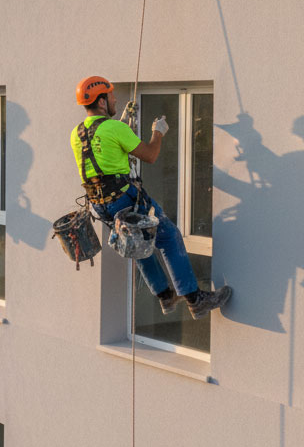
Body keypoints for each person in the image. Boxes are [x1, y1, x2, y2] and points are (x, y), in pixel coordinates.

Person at [71, 75, 231, 319]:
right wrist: (158, 132)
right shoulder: (115, 129)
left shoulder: (77, 133)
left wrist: (123, 126)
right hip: (124, 198)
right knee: (169, 236)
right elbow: (150, 155)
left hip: (101, 204)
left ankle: (165, 296)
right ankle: (195, 299)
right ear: (101, 102)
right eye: (111, 96)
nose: (115, 100)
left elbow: (102, 150)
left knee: (138, 243)